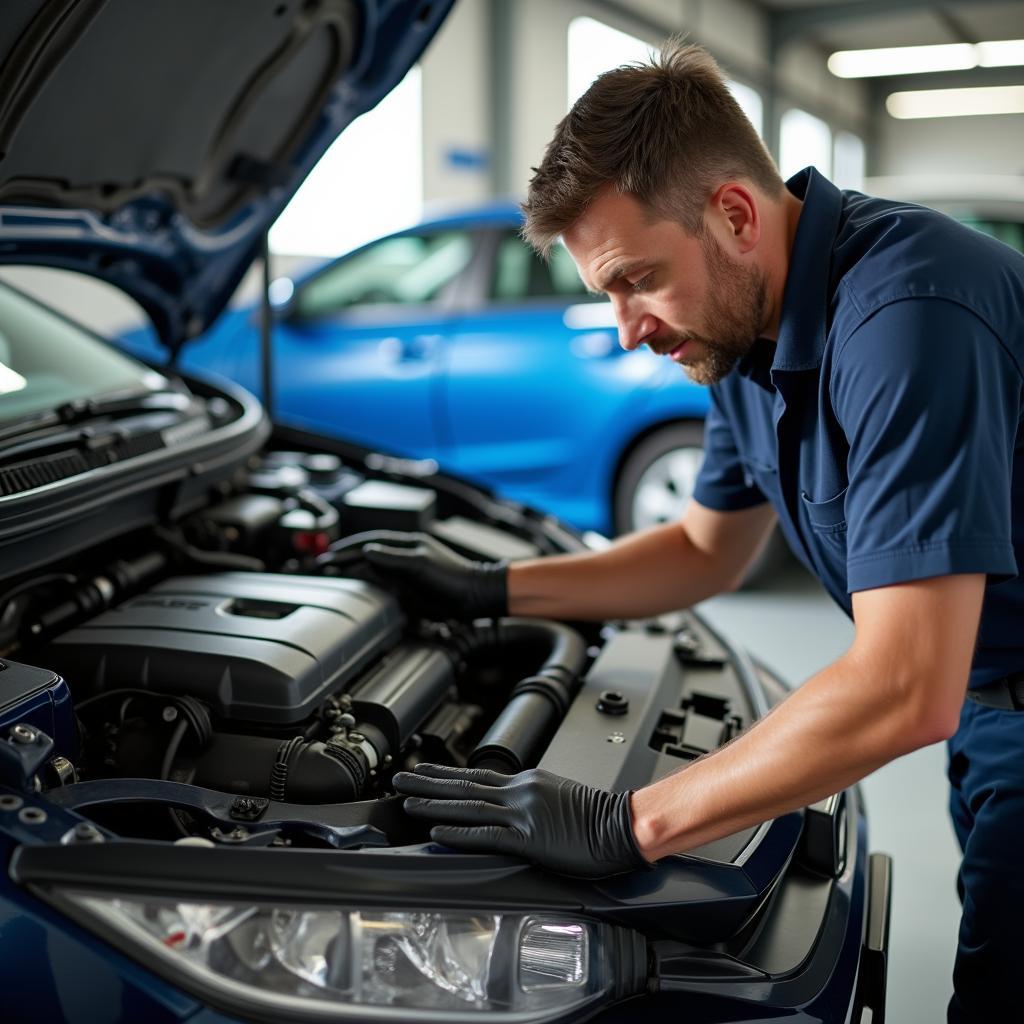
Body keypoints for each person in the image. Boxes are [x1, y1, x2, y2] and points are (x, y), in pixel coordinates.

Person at [363, 41, 1024, 1022]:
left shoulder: (904, 317)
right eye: (608, 293)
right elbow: (702, 549)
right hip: (987, 700)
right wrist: (490, 587)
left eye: (637, 279)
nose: (628, 326)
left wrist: (632, 822)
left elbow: (900, 685)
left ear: (734, 215)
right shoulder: (742, 334)